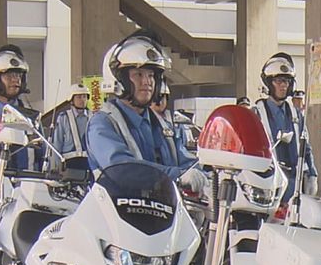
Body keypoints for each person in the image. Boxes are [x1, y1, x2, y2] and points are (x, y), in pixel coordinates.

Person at [86, 30, 206, 193]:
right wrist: (177, 175)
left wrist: (203, 175)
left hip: (163, 211)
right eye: (138, 74)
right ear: (119, 79)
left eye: (151, 75)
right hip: (116, 213)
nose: (147, 82)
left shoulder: (163, 126)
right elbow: (122, 168)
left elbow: (186, 162)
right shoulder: (103, 123)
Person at [253, 52, 317, 204]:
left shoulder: (296, 114)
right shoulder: (256, 114)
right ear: (269, 83)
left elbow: (305, 147)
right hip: (267, 184)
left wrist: (312, 175)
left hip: (295, 185)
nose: (283, 85)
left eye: (287, 81)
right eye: (279, 81)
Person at [51, 83, 91, 171]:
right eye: (79, 97)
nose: (82, 100)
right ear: (71, 99)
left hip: (89, 161)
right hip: (69, 162)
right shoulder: (63, 117)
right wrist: (55, 166)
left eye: (84, 97)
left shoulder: (93, 117)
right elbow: (57, 142)